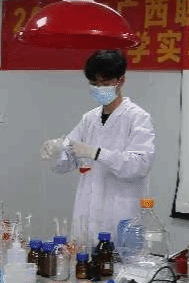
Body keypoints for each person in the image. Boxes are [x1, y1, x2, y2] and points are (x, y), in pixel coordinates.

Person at [40, 49, 156, 244]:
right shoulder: (89, 119)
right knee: (84, 257)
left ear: (121, 81)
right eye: (95, 84)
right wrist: (55, 151)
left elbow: (139, 165)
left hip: (120, 213)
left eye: (105, 83)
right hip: (87, 212)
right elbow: (67, 161)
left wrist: (97, 153)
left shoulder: (137, 118)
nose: (99, 88)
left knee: (119, 259)